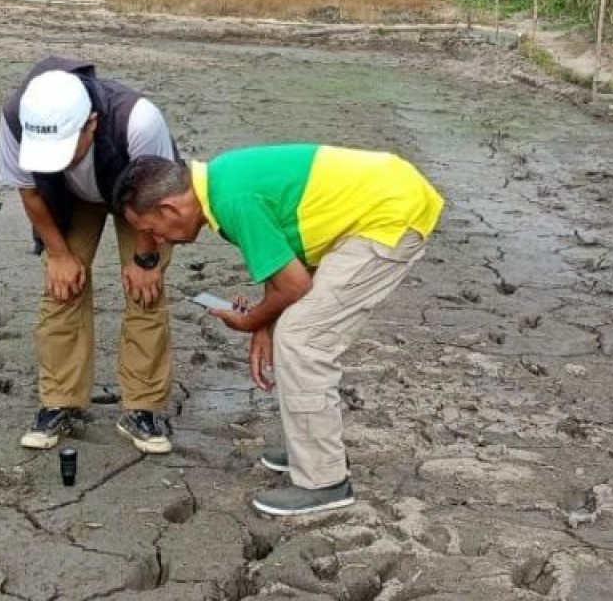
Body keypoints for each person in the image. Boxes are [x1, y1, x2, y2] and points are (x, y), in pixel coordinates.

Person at [113, 144, 444, 515]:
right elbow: (288, 260)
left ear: (170, 208)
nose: (156, 240)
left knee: (304, 340)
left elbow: (295, 286)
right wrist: (264, 326)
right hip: (382, 199)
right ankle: (311, 447)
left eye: (152, 230)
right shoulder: (222, 179)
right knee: (292, 329)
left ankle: (324, 482)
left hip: (390, 215)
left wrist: (251, 320)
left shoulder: (233, 201)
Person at [0, 56, 179, 454]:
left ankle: (143, 408)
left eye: (64, 149)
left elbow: (158, 196)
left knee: (144, 291)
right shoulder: (16, 116)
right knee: (61, 288)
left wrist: (145, 260)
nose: (57, 159)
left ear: (91, 124)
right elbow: (29, 191)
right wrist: (59, 254)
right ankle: (60, 400)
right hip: (68, 199)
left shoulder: (138, 122)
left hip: (141, 195)